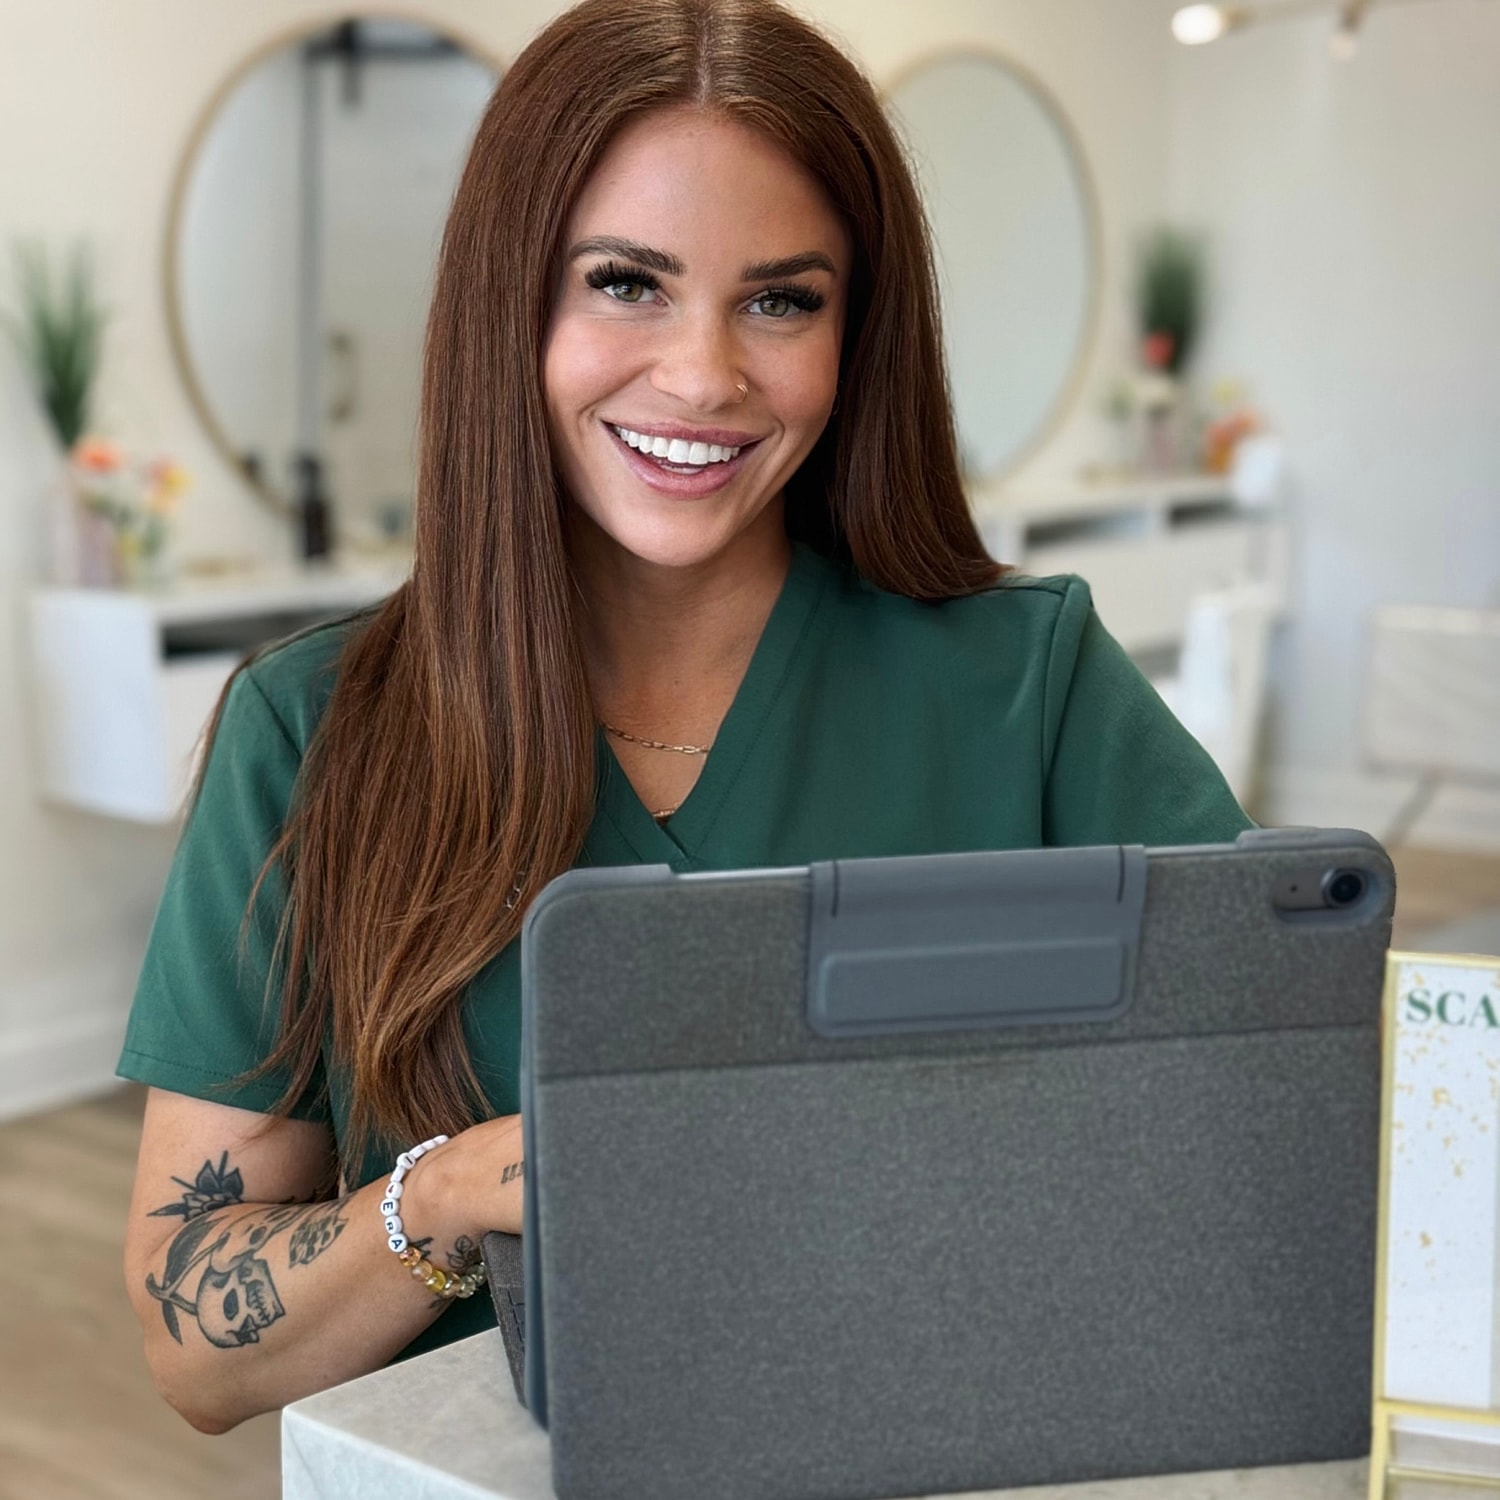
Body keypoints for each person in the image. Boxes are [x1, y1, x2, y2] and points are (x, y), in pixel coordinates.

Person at [120, 0, 1252, 1434]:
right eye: (624, 282)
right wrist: (463, 1188)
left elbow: (1260, 1114)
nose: (705, 374)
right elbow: (196, 1352)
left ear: (857, 334)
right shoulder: (310, 731)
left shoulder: (1031, 685)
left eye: (782, 301)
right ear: (510, 303)